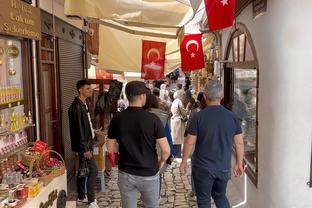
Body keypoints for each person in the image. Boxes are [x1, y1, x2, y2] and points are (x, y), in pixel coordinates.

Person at [180, 80, 244, 208]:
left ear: (205, 96)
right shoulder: (232, 117)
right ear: (221, 97)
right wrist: (239, 163)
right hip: (223, 167)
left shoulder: (198, 117)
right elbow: (239, 143)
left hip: (202, 168)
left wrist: (184, 161)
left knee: (203, 200)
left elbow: (190, 141)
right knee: (220, 196)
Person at [107, 81, 170, 208]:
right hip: (149, 172)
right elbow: (166, 151)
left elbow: (110, 148)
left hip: (126, 172)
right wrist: (160, 162)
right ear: (142, 96)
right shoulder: (153, 119)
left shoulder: (117, 118)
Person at [68, 80, 103, 208]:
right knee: (92, 171)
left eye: (91, 88)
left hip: (86, 144)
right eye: (88, 88)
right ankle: (91, 200)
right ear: (80, 90)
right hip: (84, 146)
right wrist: (85, 149)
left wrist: (94, 131)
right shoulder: (76, 107)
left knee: (83, 170)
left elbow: (85, 125)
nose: (91, 90)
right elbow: (79, 130)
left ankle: (82, 197)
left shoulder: (83, 104)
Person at [170, 90, 188, 158]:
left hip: (174, 121)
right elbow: (183, 112)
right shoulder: (179, 102)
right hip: (178, 122)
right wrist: (187, 110)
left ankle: (175, 154)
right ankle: (177, 155)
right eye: (182, 95)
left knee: (175, 139)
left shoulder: (174, 101)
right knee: (178, 140)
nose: (183, 96)